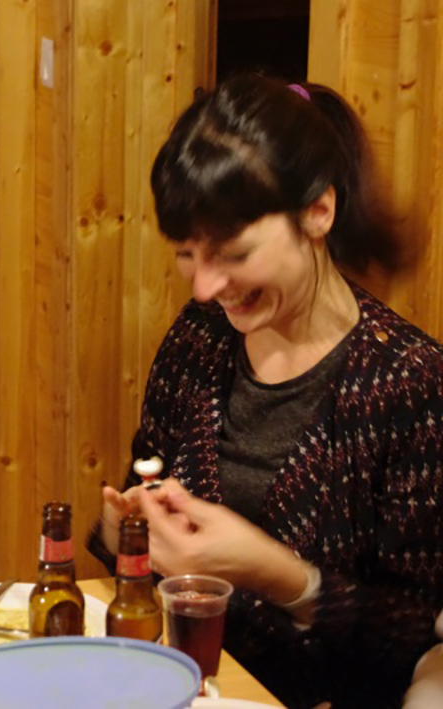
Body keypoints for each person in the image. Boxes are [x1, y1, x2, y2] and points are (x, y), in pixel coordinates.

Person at [91, 74, 443, 708]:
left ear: (318, 212)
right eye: (186, 254)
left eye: (233, 252)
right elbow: (139, 505)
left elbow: (418, 634)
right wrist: (130, 532)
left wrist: (276, 574)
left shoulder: (410, 384)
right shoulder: (200, 339)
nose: (204, 286)